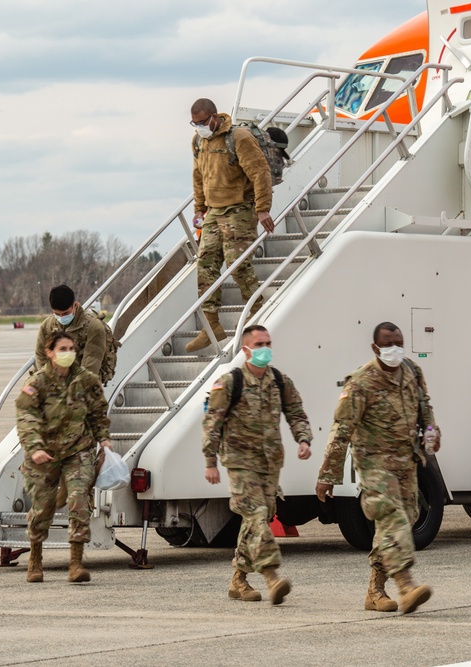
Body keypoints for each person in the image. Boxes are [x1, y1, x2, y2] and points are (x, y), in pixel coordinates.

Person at [316, 322, 439, 614]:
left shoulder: (412, 371)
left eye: (398, 343)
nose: (394, 349)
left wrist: (432, 429)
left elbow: (425, 406)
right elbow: (341, 430)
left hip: (407, 463)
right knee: (393, 518)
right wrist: (327, 476)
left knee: (403, 521)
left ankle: (375, 590)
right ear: (375, 348)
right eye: (388, 344)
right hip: (374, 465)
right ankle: (406, 585)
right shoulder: (360, 382)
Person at [203, 325, 312, 605]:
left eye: (268, 343)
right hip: (240, 463)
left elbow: (296, 412)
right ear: (246, 349)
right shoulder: (229, 382)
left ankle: (238, 580)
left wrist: (303, 439)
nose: (266, 348)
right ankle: (272, 575)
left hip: (270, 463)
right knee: (256, 515)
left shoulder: (279, 380)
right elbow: (212, 422)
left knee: (257, 520)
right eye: (260, 343)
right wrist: (210, 461)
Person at [16, 330, 112, 584]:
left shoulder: (86, 380)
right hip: (43, 455)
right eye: (63, 349)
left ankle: (76, 563)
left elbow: (98, 411)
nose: (68, 353)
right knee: (42, 509)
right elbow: (26, 418)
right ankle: (35, 559)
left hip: (77, 451)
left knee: (79, 501)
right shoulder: (36, 383)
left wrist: (104, 438)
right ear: (49, 352)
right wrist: (35, 448)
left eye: (71, 348)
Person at [184, 98, 275, 354]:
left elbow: (260, 172)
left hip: (240, 207)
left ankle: (255, 313)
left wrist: (263, 208)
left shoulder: (238, 137)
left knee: (238, 263)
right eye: (195, 123)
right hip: (214, 210)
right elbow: (198, 176)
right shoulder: (198, 141)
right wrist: (199, 210)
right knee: (205, 264)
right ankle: (211, 325)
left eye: (202, 122)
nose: (199, 127)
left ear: (214, 116)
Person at [34, 284, 108, 381]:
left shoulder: (94, 327)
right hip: (54, 383)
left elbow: (92, 362)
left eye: (65, 313)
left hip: (84, 383)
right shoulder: (47, 326)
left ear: (75, 306)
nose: (61, 317)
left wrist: (74, 388)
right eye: (57, 314)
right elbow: (40, 355)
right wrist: (50, 381)